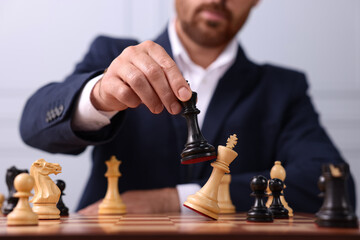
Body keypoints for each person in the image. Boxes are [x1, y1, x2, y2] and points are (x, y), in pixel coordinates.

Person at [20, 0, 356, 214]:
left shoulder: (283, 87)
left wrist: (174, 199)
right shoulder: (113, 54)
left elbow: (328, 184)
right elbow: (33, 125)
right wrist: (98, 95)